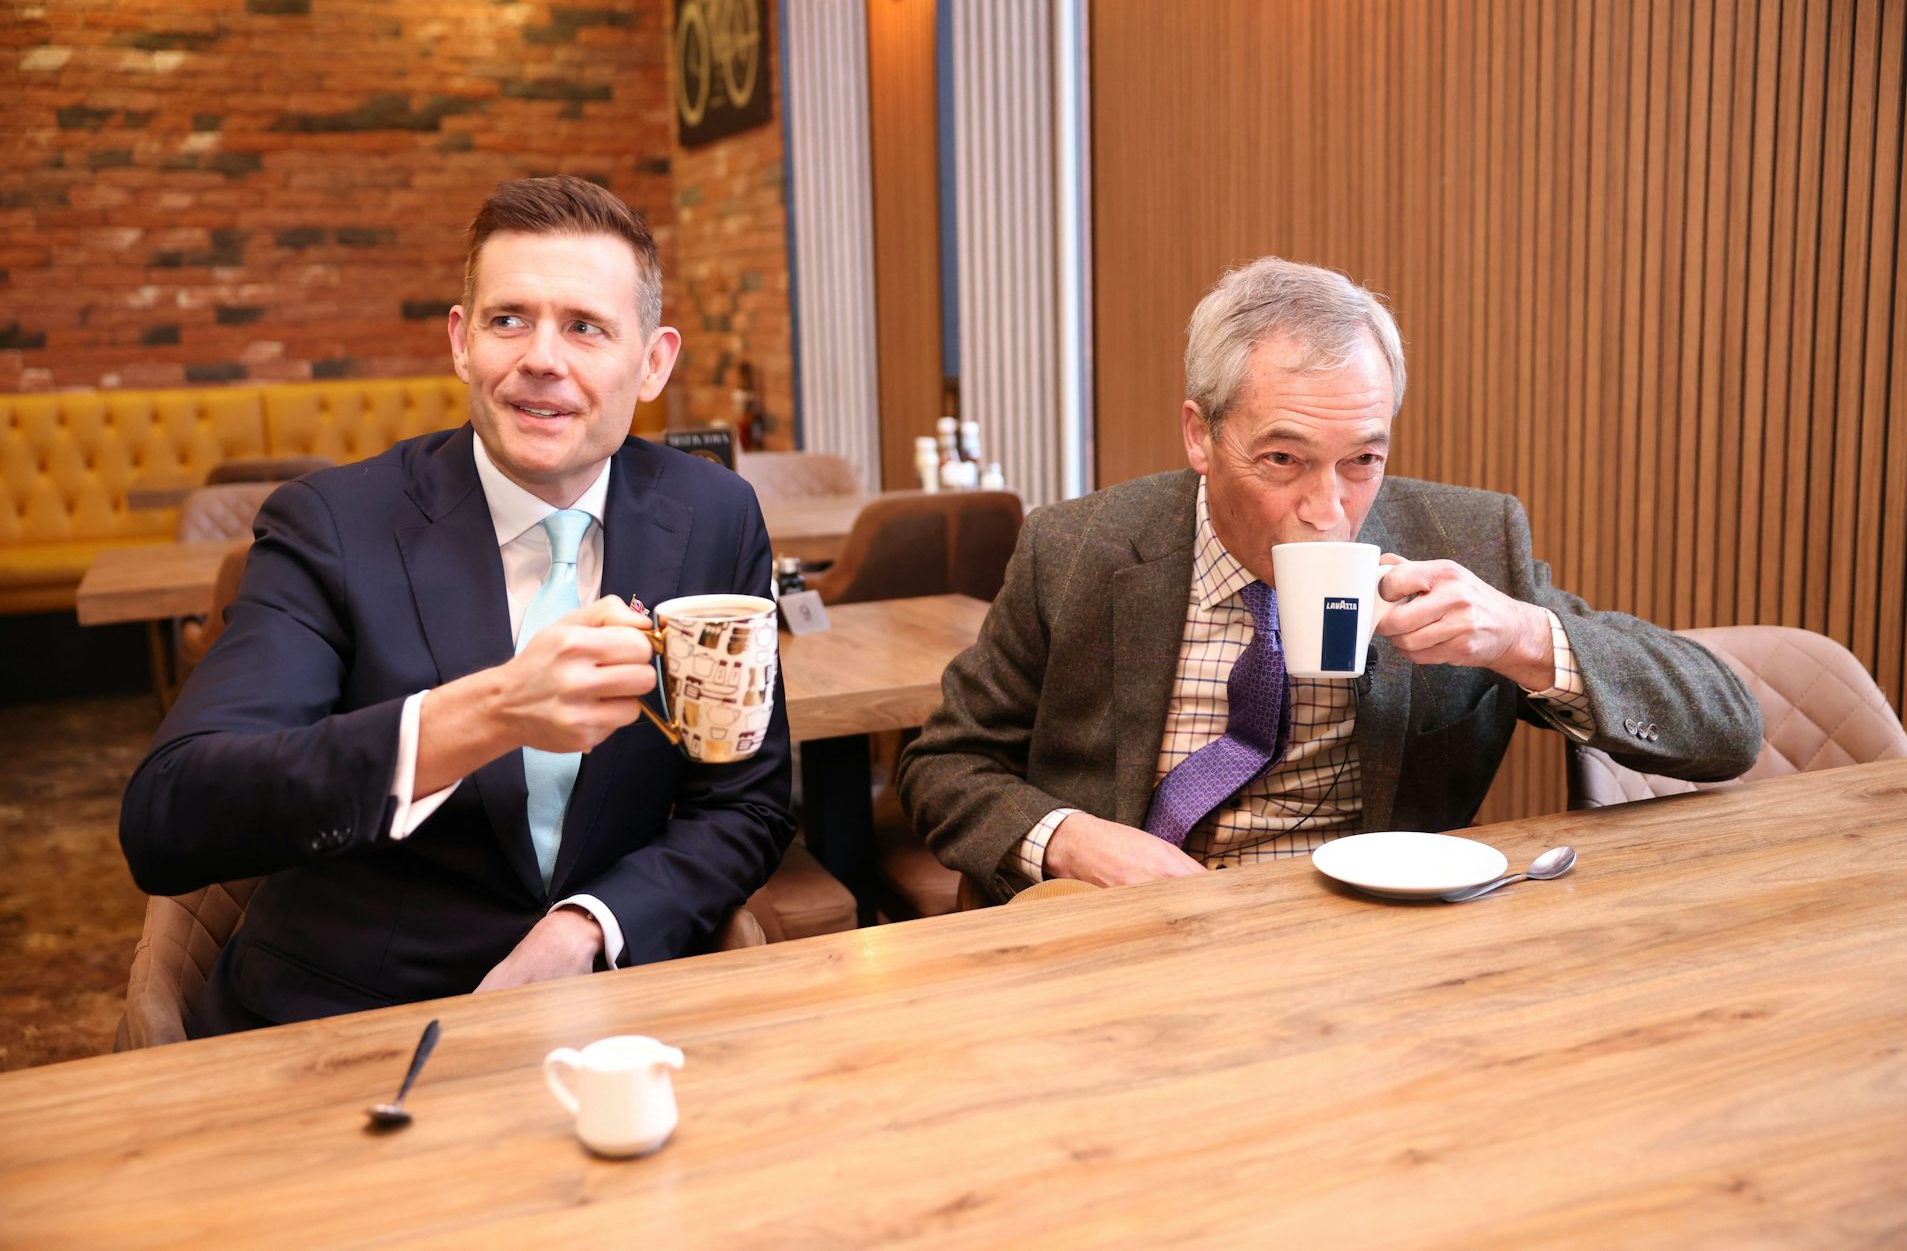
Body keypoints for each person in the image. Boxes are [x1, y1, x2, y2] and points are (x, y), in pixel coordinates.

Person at [120, 176, 794, 1034]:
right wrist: (492, 710)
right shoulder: (334, 525)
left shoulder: (714, 515)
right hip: (350, 1023)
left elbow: (746, 802)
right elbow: (170, 814)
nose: (541, 357)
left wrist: (589, 926)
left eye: (585, 327)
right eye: (508, 319)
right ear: (461, 342)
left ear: (654, 362)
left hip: (615, 1016)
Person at [898, 257, 1761, 902]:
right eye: (1283, 458)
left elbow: (1727, 729)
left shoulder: (1466, 541)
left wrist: (1522, 636)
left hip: (1368, 951)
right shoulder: (1076, 548)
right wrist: (1071, 840)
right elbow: (945, 763)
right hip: (1120, 935)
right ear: (1200, 435)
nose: (1327, 510)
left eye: (1362, 461)